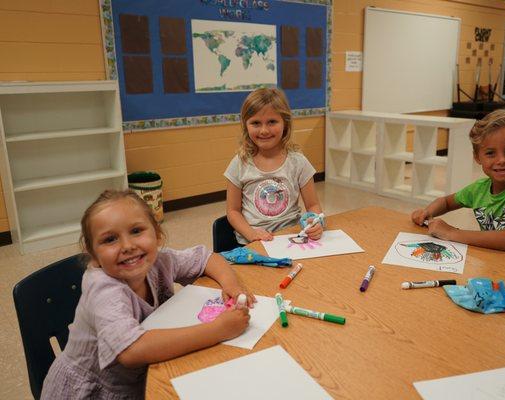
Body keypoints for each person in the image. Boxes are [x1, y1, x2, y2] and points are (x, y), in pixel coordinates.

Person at [41, 189, 256, 399]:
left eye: (136, 231)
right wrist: (218, 329)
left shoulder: (157, 261)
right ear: (92, 252)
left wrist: (232, 286)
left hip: (143, 374)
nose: (127, 246)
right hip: (96, 390)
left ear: (157, 234)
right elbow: (131, 350)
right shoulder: (103, 289)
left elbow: (206, 258)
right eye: (109, 240)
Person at [411, 108, 505, 276]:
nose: (501, 160)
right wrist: (427, 211)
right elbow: (446, 202)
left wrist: (452, 233)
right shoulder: (480, 188)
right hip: (492, 267)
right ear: (478, 157)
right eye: (490, 153)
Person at [225, 87, 324, 244]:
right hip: (252, 242)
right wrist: (250, 233)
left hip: (290, 238)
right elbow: (232, 211)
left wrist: (315, 222)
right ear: (246, 125)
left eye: (272, 122)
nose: (264, 130)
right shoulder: (239, 163)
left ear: (285, 123)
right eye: (256, 123)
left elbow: (313, 205)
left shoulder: (298, 162)